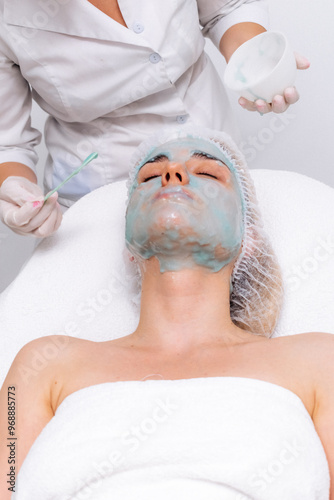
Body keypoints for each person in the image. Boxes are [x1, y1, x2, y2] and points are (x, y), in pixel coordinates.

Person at [0, 127, 332, 499]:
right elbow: (6, 483)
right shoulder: (44, 365)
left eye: (206, 173)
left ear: (248, 235)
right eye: (150, 176)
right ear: (128, 240)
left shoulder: (320, 362)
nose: (172, 175)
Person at [0, 0, 310, 238]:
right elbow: (7, 145)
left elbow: (226, 8)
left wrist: (255, 58)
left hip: (212, 160)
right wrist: (18, 195)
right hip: (101, 197)